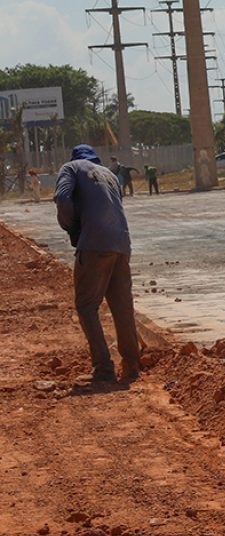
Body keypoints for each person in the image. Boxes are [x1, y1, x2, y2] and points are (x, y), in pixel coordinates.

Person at [54, 145, 140, 384]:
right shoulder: (109, 174)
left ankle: (103, 368)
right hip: (122, 244)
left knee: (86, 306)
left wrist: (72, 228)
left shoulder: (71, 168)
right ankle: (132, 365)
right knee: (122, 307)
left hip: (94, 243)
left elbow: (63, 199)